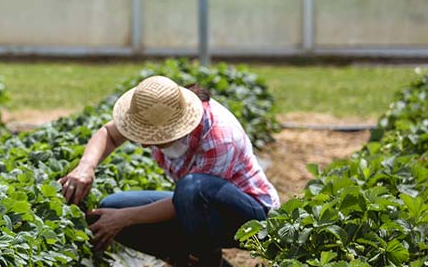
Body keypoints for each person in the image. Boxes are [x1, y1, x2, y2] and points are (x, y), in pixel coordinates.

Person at [57, 75, 279, 266]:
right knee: (112, 208)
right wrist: (85, 166)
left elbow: (196, 196)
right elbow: (110, 134)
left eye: (150, 137)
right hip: (193, 205)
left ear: (175, 129)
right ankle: (192, 260)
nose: (144, 144)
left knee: (190, 188)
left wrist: (126, 218)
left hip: (249, 214)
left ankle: (206, 262)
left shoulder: (220, 137)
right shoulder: (159, 110)